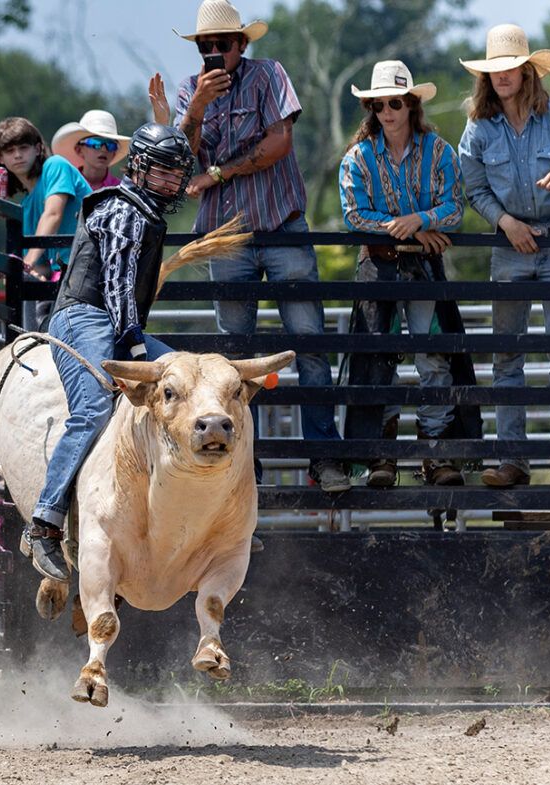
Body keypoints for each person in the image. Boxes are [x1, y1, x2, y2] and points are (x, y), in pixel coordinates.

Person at [171, 0, 349, 492]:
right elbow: (179, 163)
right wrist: (197, 109)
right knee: (232, 361)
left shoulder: (268, 74)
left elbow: (279, 143)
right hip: (226, 240)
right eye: (205, 46)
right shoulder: (191, 92)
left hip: (281, 227)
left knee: (308, 345)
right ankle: (243, 468)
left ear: (241, 44)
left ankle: (324, 459)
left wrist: (219, 172)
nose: (213, 53)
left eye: (222, 44)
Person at [24, 123, 194, 582]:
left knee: (191, 381)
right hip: (82, 315)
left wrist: (134, 339)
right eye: (160, 172)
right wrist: (134, 341)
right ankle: (43, 522)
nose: (169, 182)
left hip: (113, 319)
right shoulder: (123, 209)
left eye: (175, 174)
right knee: (95, 404)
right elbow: (118, 284)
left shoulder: (143, 211)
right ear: (138, 167)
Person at [339, 61, 481, 487]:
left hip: (422, 266)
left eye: (395, 102)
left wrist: (417, 219)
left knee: (432, 354)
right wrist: (411, 227)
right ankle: (381, 454)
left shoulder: (439, 150)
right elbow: (352, 213)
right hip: (380, 264)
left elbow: (455, 207)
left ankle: (435, 452)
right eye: (378, 104)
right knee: (378, 357)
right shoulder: (358, 157)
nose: (387, 111)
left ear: (411, 104)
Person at [458, 24, 550, 488]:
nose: (501, 76)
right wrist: (506, 223)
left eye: (509, 68)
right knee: (506, 356)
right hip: (509, 247)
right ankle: (513, 461)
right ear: (487, 77)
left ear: (527, 71)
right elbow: (474, 188)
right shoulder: (478, 128)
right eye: (494, 70)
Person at [0, 117, 92, 328]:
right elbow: (42, 265)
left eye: (23, 148)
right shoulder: (27, 204)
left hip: (91, 267)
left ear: (37, 148)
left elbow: (53, 213)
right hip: (68, 276)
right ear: (0, 158)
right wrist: (22, 271)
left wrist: (24, 264)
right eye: (9, 150)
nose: (17, 155)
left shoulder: (56, 165)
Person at [51, 110, 130, 191]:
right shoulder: (65, 184)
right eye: (96, 143)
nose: (104, 149)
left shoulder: (121, 191)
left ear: (114, 153)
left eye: (110, 145)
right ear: (79, 150)